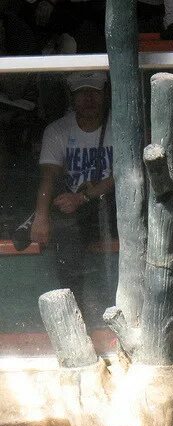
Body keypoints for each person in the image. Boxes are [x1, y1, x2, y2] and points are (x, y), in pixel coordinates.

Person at [28, 71, 116, 325]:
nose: (89, 98)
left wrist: (85, 197)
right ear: (72, 97)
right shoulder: (58, 130)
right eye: (82, 93)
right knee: (66, 231)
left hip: (110, 202)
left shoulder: (118, 125)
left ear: (105, 94)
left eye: (95, 92)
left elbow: (122, 176)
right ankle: (75, 313)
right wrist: (41, 216)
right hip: (76, 206)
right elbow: (49, 176)